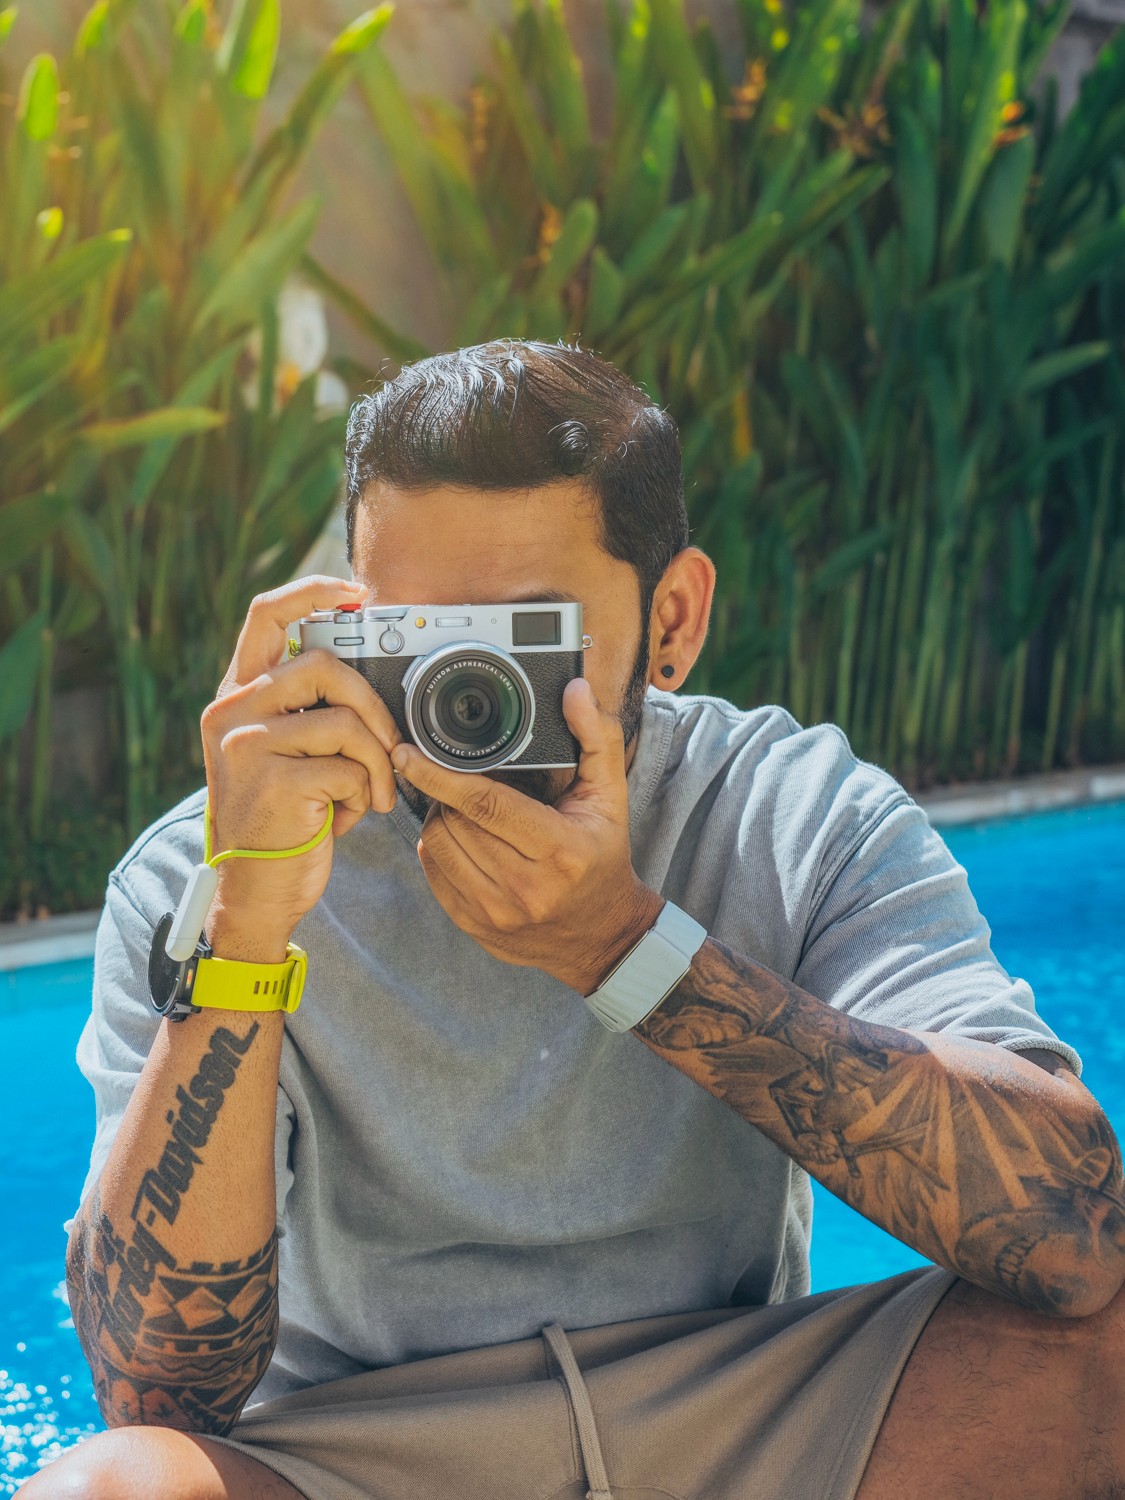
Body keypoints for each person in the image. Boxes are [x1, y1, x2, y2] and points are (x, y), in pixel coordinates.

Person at [29, 341, 1123, 1500]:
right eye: (416, 634)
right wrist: (245, 937)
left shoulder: (790, 809)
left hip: (741, 1409)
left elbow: (1076, 1229)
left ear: (675, 619)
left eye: (528, 633)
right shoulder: (217, 866)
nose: (470, 687)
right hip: (366, 1450)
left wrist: (629, 951)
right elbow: (157, 1399)